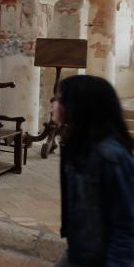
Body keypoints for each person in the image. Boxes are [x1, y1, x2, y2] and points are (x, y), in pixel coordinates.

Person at [52, 75, 134, 266]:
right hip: (81, 250)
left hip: (103, 257)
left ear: (78, 107)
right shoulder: (77, 145)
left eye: (59, 99)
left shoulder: (111, 157)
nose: (53, 104)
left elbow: (127, 225)